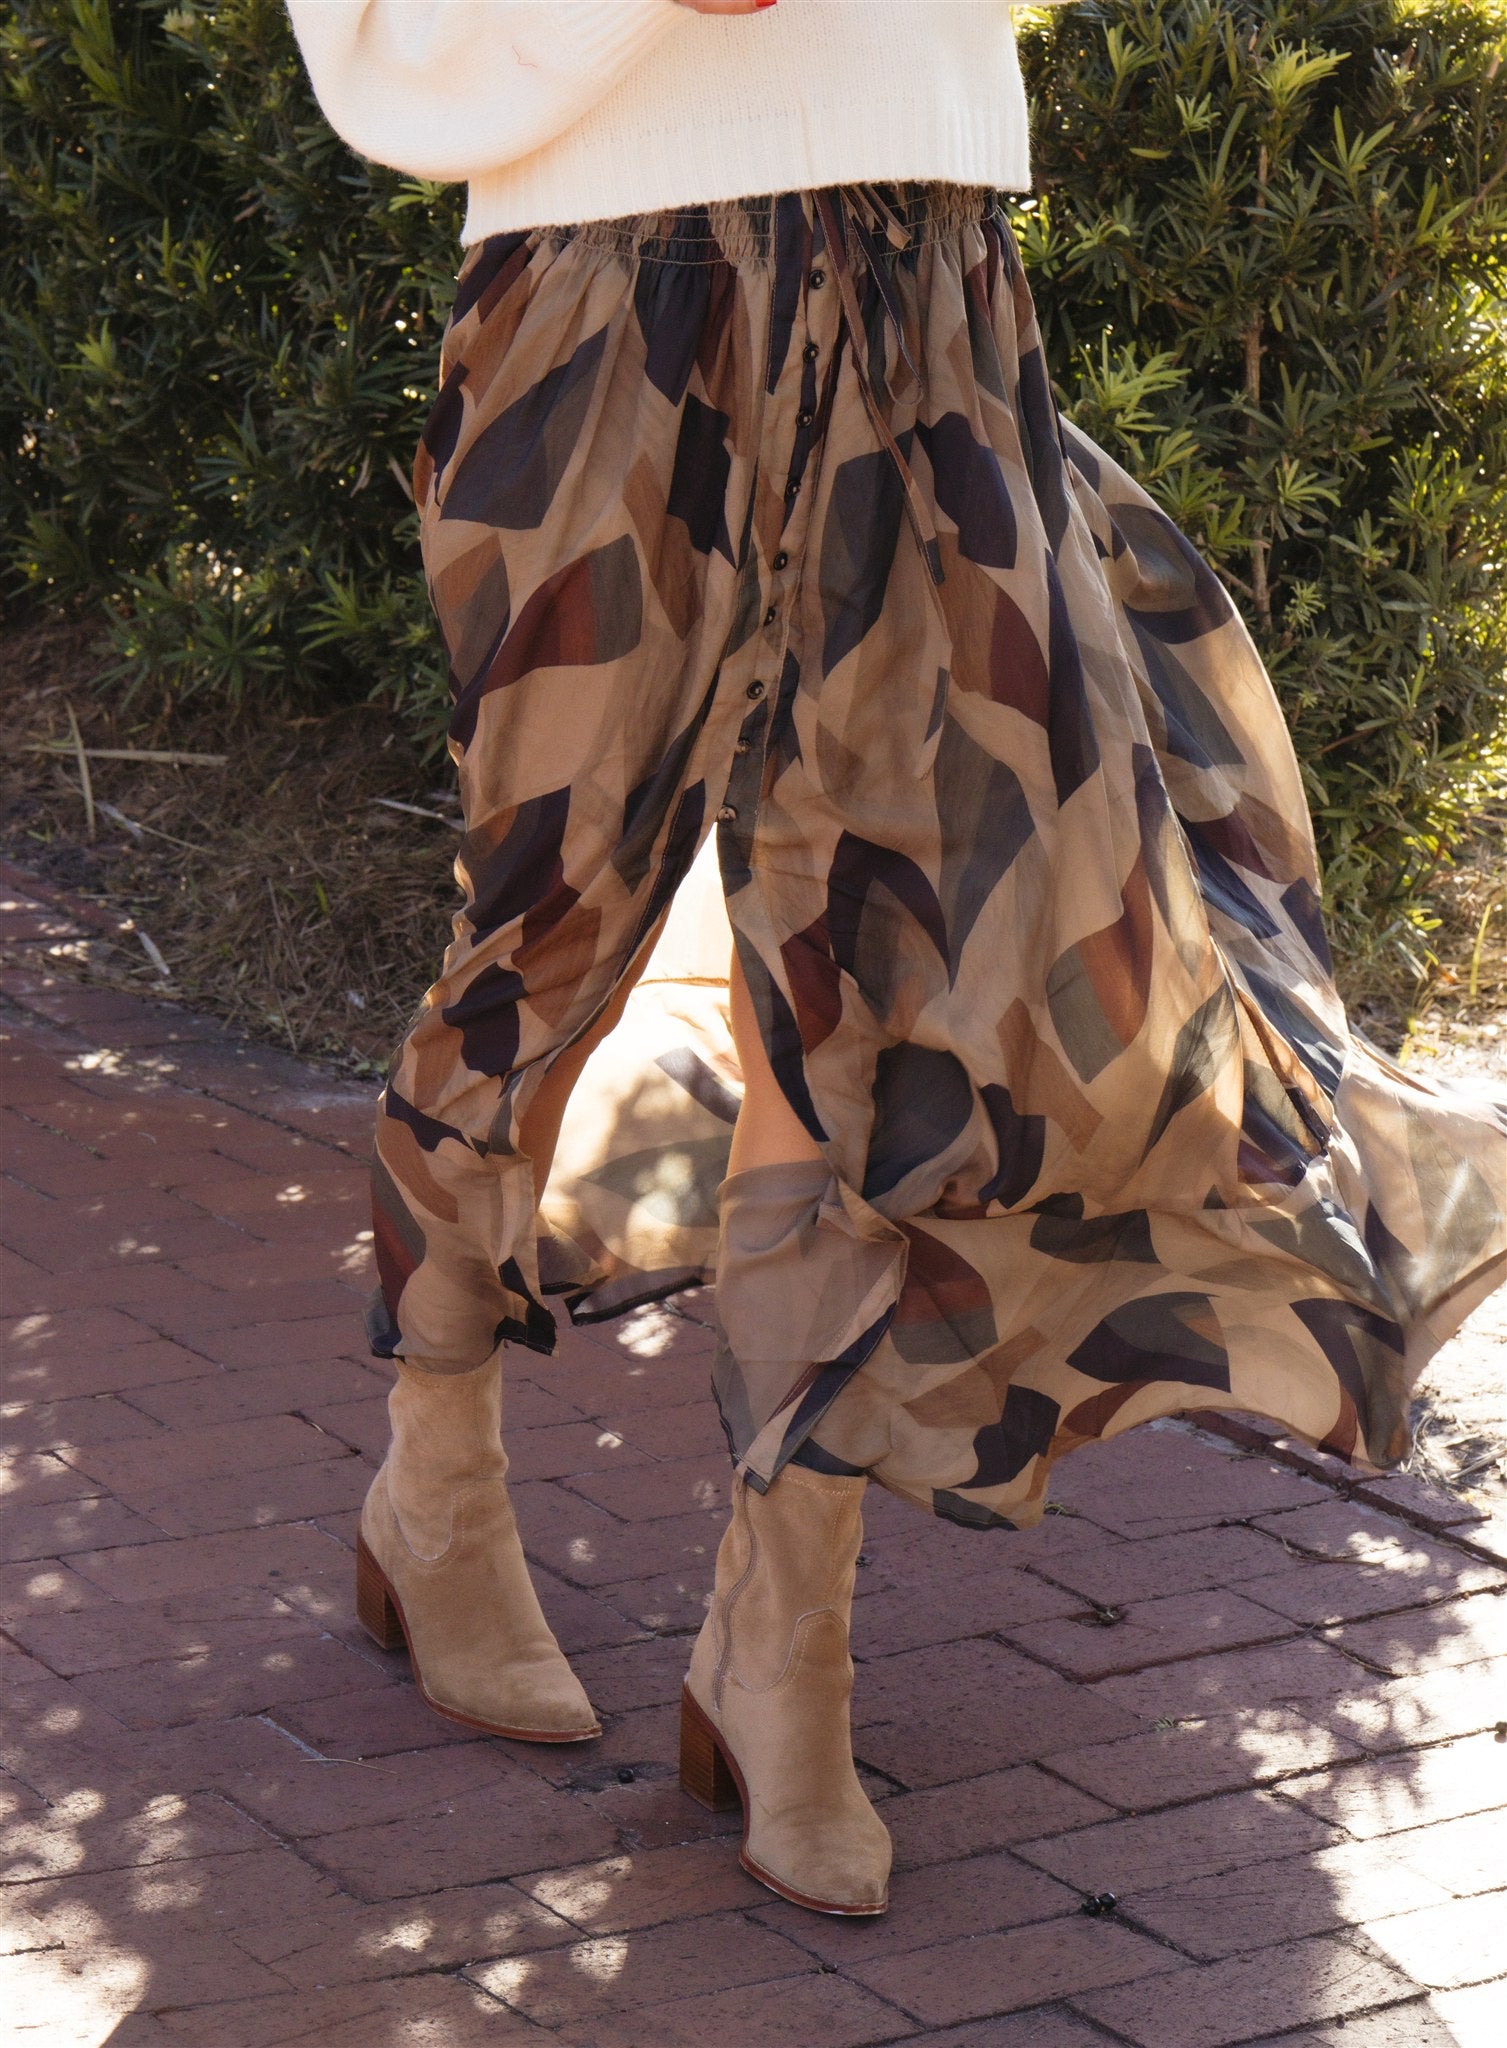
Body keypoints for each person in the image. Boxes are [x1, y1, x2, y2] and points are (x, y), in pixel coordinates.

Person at [286, 0, 1507, 1918]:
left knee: (889, 970)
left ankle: (785, 1638)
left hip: (925, 257)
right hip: (606, 286)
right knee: (549, 927)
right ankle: (433, 1483)